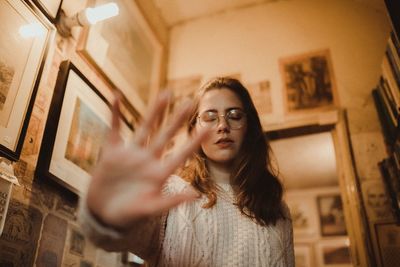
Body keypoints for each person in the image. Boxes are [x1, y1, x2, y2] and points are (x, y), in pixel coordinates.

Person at [78, 77, 294, 266]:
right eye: (210, 117)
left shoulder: (278, 210)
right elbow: (116, 238)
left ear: (250, 127)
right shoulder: (168, 194)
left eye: (235, 115)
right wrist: (103, 215)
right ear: (194, 130)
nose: (222, 125)